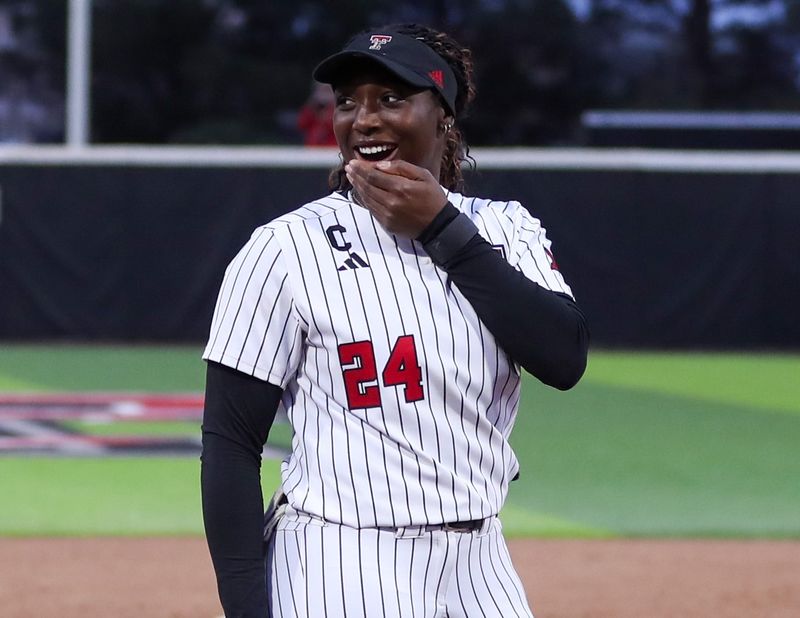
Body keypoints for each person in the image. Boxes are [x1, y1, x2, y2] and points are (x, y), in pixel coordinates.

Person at [201, 23, 589, 618]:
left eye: (390, 98)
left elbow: (563, 360)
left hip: (480, 561)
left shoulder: (506, 228)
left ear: (445, 119)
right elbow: (230, 444)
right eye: (348, 101)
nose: (364, 118)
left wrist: (443, 231)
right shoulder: (284, 248)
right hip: (339, 554)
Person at [296, 81, 337, 146]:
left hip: (332, 150)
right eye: (321, 90)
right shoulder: (312, 107)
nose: (324, 94)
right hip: (312, 149)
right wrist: (313, 103)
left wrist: (331, 104)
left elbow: (332, 124)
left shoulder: (339, 109)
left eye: (327, 90)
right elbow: (301, 124)